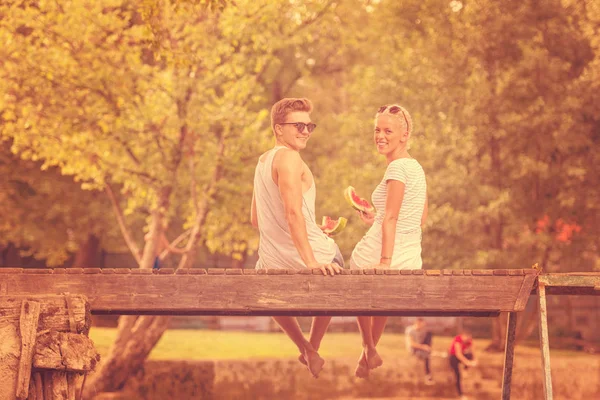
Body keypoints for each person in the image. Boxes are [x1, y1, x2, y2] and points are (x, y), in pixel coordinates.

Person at [250, 97, 344, 378]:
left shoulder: (263, 161)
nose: (305, 131)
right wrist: (311, 260)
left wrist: (310, 229)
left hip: (271, 263)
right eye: (298, 125)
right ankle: (311, 347)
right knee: (334, 266)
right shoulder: (290, 158)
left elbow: (256, 219)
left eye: (309, 126)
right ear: (279, 129)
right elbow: (292, 212)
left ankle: (307, 348)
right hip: (314, 256)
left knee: (263, 278)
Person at [349, 104, 428, 378]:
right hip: (411, 257)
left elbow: (392, 218)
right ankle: (366, 357)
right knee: (379, 297)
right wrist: (375, 216)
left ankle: (369, 348)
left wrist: (385, 261)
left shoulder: (396, 168)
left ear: (404, 135)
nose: (380, 136)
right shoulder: (416, 168)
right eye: (377, 130)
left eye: (388, 131)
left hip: (391, 256)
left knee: (358, 267)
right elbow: (419, 217)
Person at [449, 329, 478, 400]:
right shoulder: (457, 339)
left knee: (469, 355)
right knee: (458, 375)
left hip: (461, 355)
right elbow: (458, 354)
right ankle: (460, 394)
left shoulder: (469, 340)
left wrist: (475, 360)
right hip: (453, 357)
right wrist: (467, 362)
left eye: (469, 338)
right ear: (463, 336)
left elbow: (473, 352)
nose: (467, 340)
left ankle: (465, 370)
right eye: (466, 338)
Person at [405, 318, 434, 384]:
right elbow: (412, 344)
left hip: (420, 348)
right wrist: (423, 347)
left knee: (429, 333)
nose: (423, 327)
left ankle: (428, 375)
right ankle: (428, 375)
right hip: (413, 349)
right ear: (418, 323)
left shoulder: (421, 330)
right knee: (427, 356)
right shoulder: (410, 330)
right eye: (422, 325)